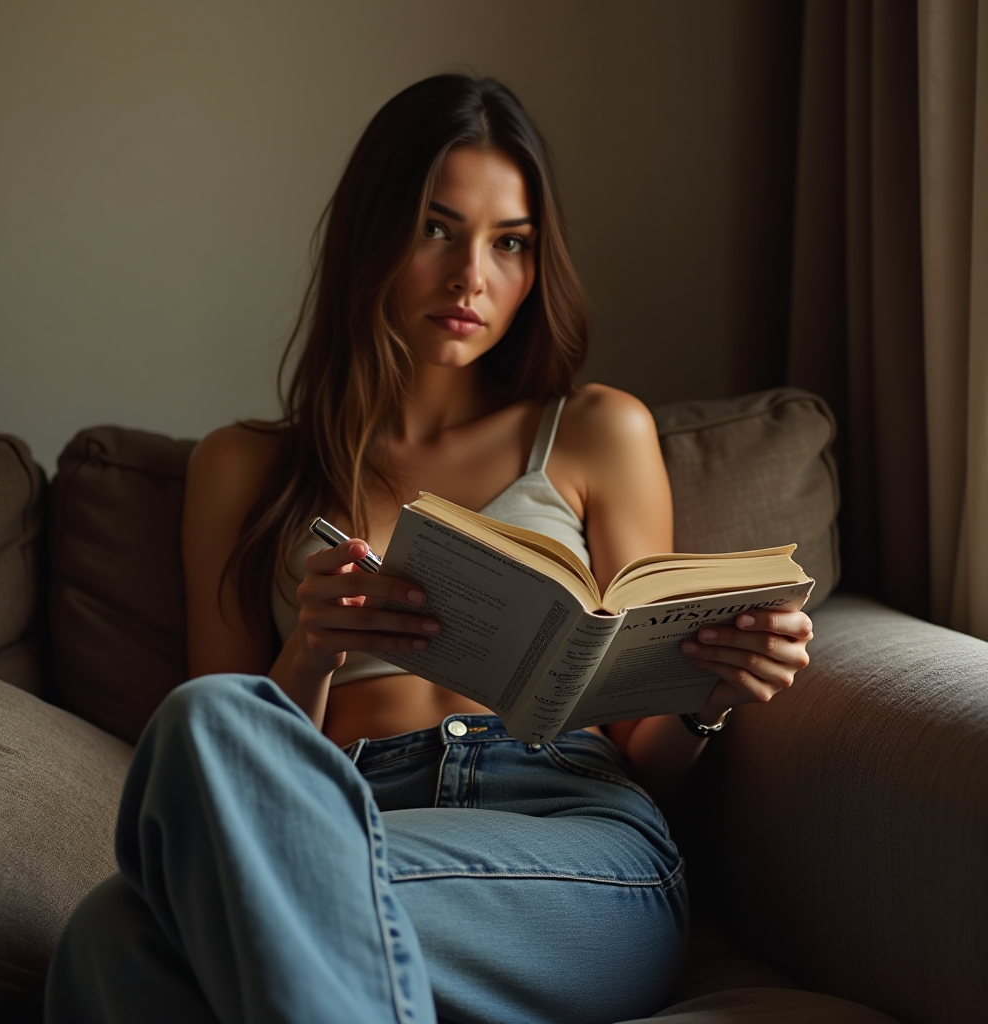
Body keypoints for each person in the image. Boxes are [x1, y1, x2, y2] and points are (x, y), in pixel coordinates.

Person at [46, 74, 813, 1024]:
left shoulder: (595, 432)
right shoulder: (241, 467)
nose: (471, 279)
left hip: (568, 833)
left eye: (510, 244)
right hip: (343, 811)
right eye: (437, 229)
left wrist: (712, 697)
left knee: (125, 933)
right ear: (373, 236)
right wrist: (312, 650)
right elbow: (234, 769)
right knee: (199, 736)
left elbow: (640, 751)